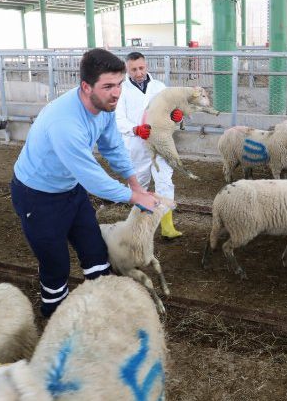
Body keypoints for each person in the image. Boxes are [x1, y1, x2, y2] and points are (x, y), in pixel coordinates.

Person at [10, 48, 157, 318]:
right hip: (37, 195)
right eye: (108, 86)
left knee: (95, 252)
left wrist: (136, 185)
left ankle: (101, 308)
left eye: (120, 84)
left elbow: (113, 146)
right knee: (56, 266)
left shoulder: (105, 106)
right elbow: (92, 177)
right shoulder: (65, 123)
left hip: (69, 189)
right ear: (86, 87)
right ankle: (56, 320)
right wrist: (135, 198)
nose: (117, 93)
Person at [115, 51, 183, 239]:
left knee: (165, 182)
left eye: (141, 68)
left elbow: (170, 111)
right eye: (133, 69)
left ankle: (167, 227)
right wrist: (135, 129)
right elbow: (118, 119)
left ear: (147, 66)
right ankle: (139, 228)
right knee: (139, 185)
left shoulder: (159, 87)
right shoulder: (122, 90)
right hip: (136, 145)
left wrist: (176, 117)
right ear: (127, 70)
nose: (138, 73)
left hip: (160, 142)